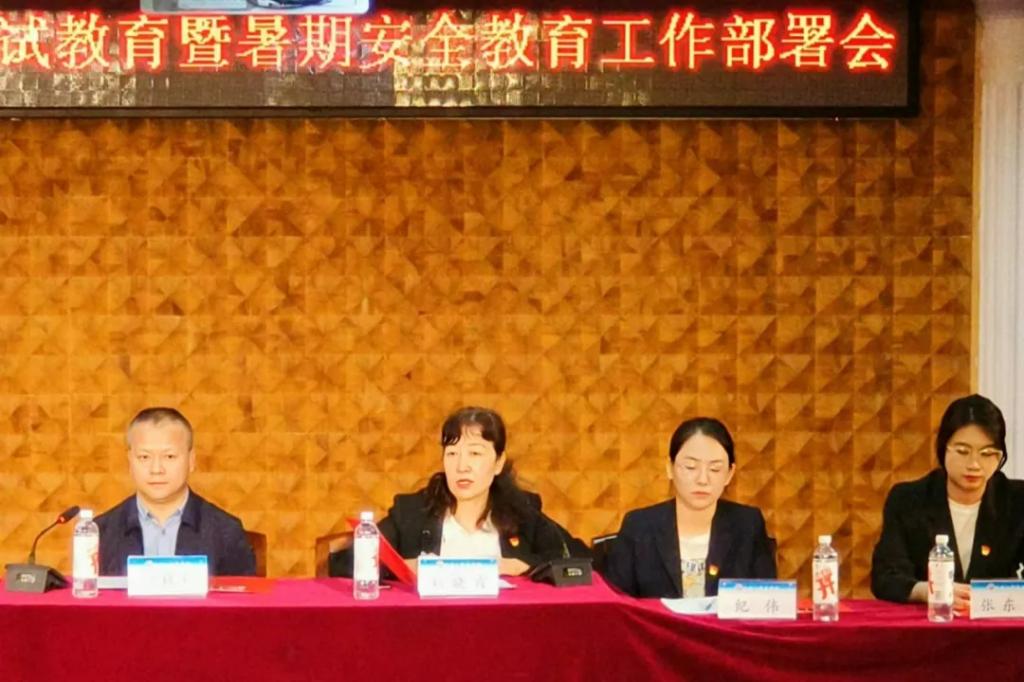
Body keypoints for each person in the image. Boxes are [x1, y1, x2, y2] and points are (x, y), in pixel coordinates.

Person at [329, 406, 587, 578]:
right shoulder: (413, 512)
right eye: (452, 454)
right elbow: (344, 564)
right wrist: (405, 568)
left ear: (498, 462)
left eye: (475, 453)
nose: (462, 466)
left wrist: (525, 567)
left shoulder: (522, 512)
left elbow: (579, 562)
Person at [871, 394, 1024, 613]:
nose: (974, 464)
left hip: (997, 626)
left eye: (987, 453)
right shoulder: (908, 499)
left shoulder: (1017, 500)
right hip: (930, 624)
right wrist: (928, 591)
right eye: (962, 451)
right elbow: (885, 576)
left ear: (1000, 457)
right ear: (943, 449)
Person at [605, 417, 776, 598]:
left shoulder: (748, 525)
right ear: (670, 468)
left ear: (729, 474)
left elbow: (766, 600)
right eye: (691, 467)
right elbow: (616, 604)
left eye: (715, 469)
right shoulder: (639, 526)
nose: (702, 479)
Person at [95, 407, 256, 576]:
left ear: (191, 461)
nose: (156, 469)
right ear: (130, 462)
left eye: (169, 456)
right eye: (144, 457)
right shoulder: (99, 533)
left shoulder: (225, 531)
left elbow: (243, 593)